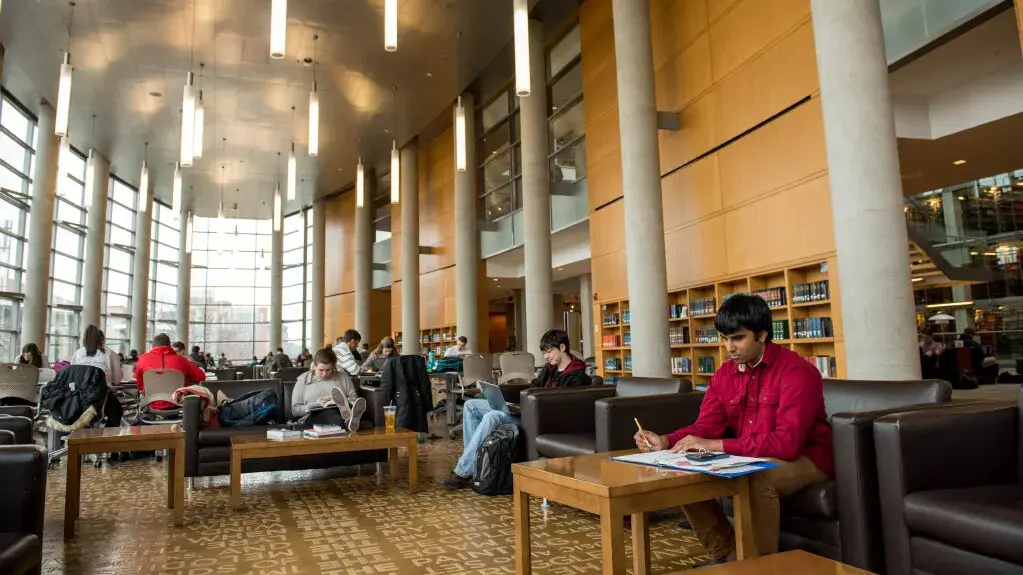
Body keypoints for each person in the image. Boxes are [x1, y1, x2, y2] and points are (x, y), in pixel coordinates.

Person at [632, 295, 832, 565]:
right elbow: (706, 427)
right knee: (684, 472)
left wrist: (716, 446)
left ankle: (759, 566)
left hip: (807, 458)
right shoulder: (724, 374)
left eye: (737, 338)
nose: (729, 347)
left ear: (761, 334)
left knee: (756, 477)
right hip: (752, 454)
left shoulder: (797, 372)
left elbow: (787, 443)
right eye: (724, 338)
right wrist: (667, 440)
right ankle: (729, 556)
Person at [441, 329, 587, 490]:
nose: (546, 356)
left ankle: (462, 472)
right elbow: (533, 388)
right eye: (544, 353)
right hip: (525, 410)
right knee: (471, 406)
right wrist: (512, 400)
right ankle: (475, 466)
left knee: (493, 416)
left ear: (562, 347)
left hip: (539, 419)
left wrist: (527, 404)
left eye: (549, 352)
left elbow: (563, 406)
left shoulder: (577, 376)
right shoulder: (549, 369)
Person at [291, 347, 366, 431]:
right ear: (315, 366)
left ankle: (347, 417)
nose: (324, 374)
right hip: (312, 416)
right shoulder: (303, 380)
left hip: (338, 412)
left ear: (334, 366)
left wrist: (334, 401)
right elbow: (295, 410)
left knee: (335, 410)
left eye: (328, 370)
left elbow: (354, 399)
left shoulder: (343, 377)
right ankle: (348, 422)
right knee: (327, 412)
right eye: (321, 370)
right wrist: (316, 404)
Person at [70, 325, 123, 428]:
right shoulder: (110, 354)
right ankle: (105, 437)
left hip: (78, 399)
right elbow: (117, 381)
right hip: (100, 398)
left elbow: (72, 378)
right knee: (117, 411)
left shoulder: (77, 354)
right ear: (102, 339)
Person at [135, 334, 208, 408]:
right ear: (169, 346)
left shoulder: (143, 359)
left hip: (150, 402)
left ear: (153, 346)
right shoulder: (181, 360)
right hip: (177, 402)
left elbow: (140, 384)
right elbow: (201, 376)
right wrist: (186, 379)